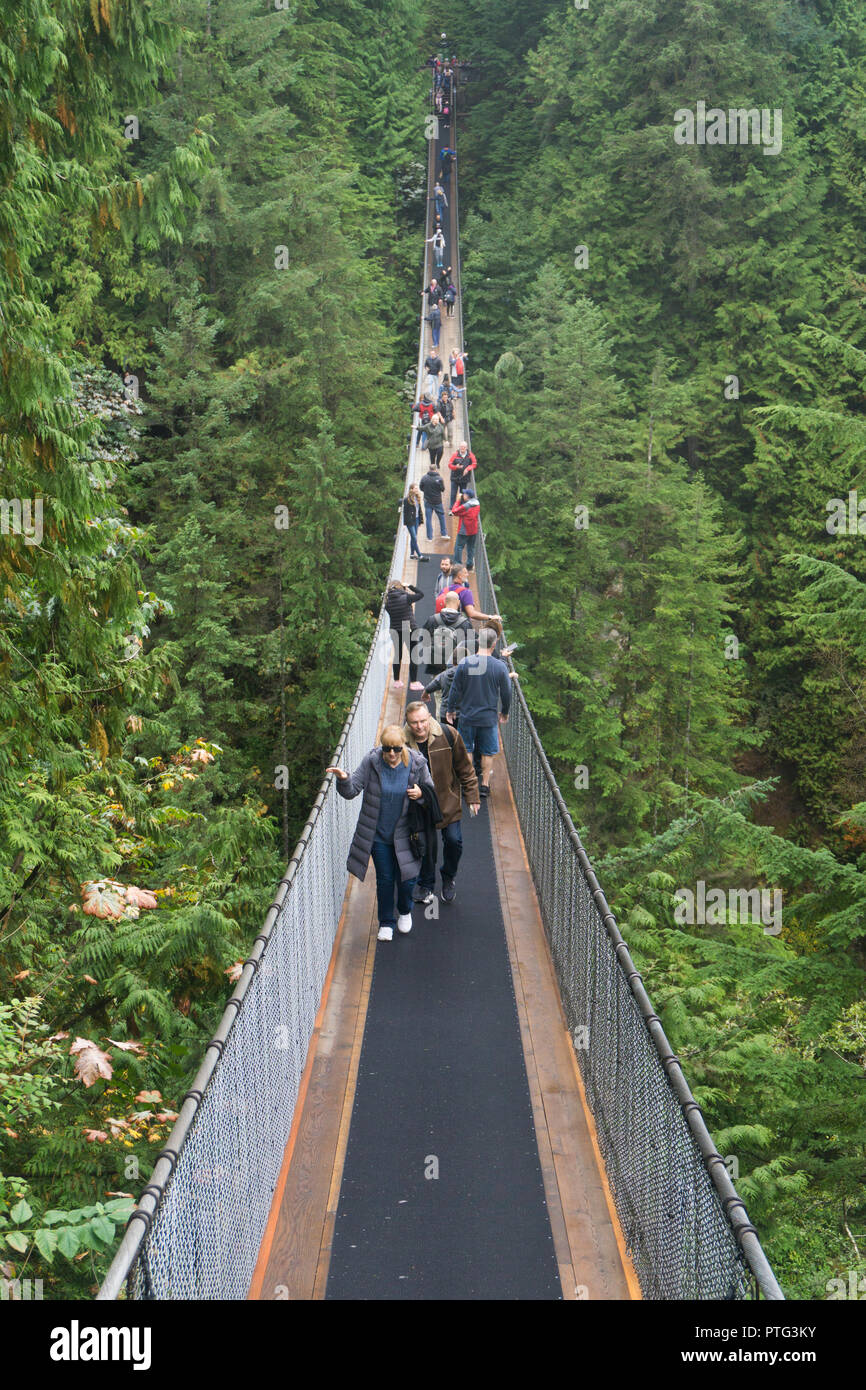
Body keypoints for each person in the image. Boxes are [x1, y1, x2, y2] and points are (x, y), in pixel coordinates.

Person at [326, 729, 436, 941]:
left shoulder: (417, 763)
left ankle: (405, 910)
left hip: (408, 833)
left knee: (408, 879)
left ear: (403, 746)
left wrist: (421, 793)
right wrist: (343, 778)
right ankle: (386, 922)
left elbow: (430, 792)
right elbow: (352, 790)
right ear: (381, 747)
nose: (392, 753)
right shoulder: (372, 761)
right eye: (387, 749)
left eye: (396, 749)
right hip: (379, 835)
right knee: (385, 879)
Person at [403, 701, 480, 906]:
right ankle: (426, 883)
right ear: (407, 723)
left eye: (422, 721)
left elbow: (465, 766)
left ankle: (448, 876)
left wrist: (472, 795)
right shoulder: (400, 743)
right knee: (425, 847)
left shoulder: (448, 734)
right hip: (419, 805)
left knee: (454, 841)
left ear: (429, 717)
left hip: (447, 800)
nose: (419, 727)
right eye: (414, 723)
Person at [445, 628, 512, 799]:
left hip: (467, 715)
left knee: (466, 748)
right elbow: (506, 693)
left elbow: (455, 689)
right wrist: (504, 712)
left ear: (478, 641)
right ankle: (484, 786)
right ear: (494, 643)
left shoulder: (465, 663)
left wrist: (450, 709)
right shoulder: (500, 667)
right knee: (487, 752)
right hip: (488, 718)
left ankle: (469, 782)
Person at [422, 590, 474, 678]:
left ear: (445, 602)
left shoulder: (432, 619)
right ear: (458, 602)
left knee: (436, 688)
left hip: (435, 665)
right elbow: (470, 647)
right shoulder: (465, 623)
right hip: (455, 668)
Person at [385, 579, 425, 691]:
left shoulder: (387, 602)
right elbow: (420, 594)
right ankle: (413, 682)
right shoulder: (406, 598)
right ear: (400, 587)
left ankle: (397, 681)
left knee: (398, 655)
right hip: (408, 628)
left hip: (394, 629)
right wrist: (410, 586)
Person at [434, 565, 500, 630]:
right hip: (459, 628)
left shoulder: (444, 590)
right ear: (459, 575)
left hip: (442, 626)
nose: (467, 575)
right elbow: (471, 614)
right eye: (465, 573)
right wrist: (490, 617)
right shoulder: (466, 592)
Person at [451, 487, 481, 570]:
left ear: (467, 496)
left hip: (464, 530)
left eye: (464, 494)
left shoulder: (466, 505)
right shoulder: (477, 503)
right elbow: (466, 513)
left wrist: (458, 501)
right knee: (471, 547)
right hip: (473, 530)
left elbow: (454, 511)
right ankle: (470, 565)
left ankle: (458, 565)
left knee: (458, 547)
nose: (463, 495)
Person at [419, 462, 448, 540]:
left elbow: (421, 487)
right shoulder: (439, 479)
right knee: (441, 517)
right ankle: (444, 534)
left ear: (429, 469)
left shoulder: (424, 478)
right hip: (437, 501)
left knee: (428, 519)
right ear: (435, 469)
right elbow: (442, 489)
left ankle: (429, 537)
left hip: (427, 501)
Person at [447, 440, 477, 507]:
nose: (462, 448)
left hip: (464, 478)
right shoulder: (455, 455)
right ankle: (451, 508)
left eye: (464, 447)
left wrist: (467, 468)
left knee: (463, 494)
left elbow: (474, 464)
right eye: (461, 447)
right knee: (453, 494)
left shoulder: (470, 455)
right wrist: (455, 467)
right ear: (459, 447)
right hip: (455, 477)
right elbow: (449, 465)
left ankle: (460, 507)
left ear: (466, 447)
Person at [402, 484, 424, 562]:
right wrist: (404, 524)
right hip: (410, 521)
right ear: (411, 489)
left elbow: (419, 510)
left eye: (417, 488)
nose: (417, 489)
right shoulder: (406, 500)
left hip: (417, 519)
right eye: (415, 488)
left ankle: (411, 554)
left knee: (413, 537)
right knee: (414, 537)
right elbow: (405, 512)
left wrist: (421, 520)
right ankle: (419, 555)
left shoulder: (417, 497)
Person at [437, 375, 456, 441]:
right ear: (442, 397)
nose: (445, 398)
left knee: (450, 431)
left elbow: (452, 408)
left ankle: (450, 442)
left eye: (446, 397)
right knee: (442, 431)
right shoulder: (440, 403)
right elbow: (438, 411)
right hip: (443, 418)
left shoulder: (450, 402)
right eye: (444, 397)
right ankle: (444, 440)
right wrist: (441, 418)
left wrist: (454, 414)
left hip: (449, 418)